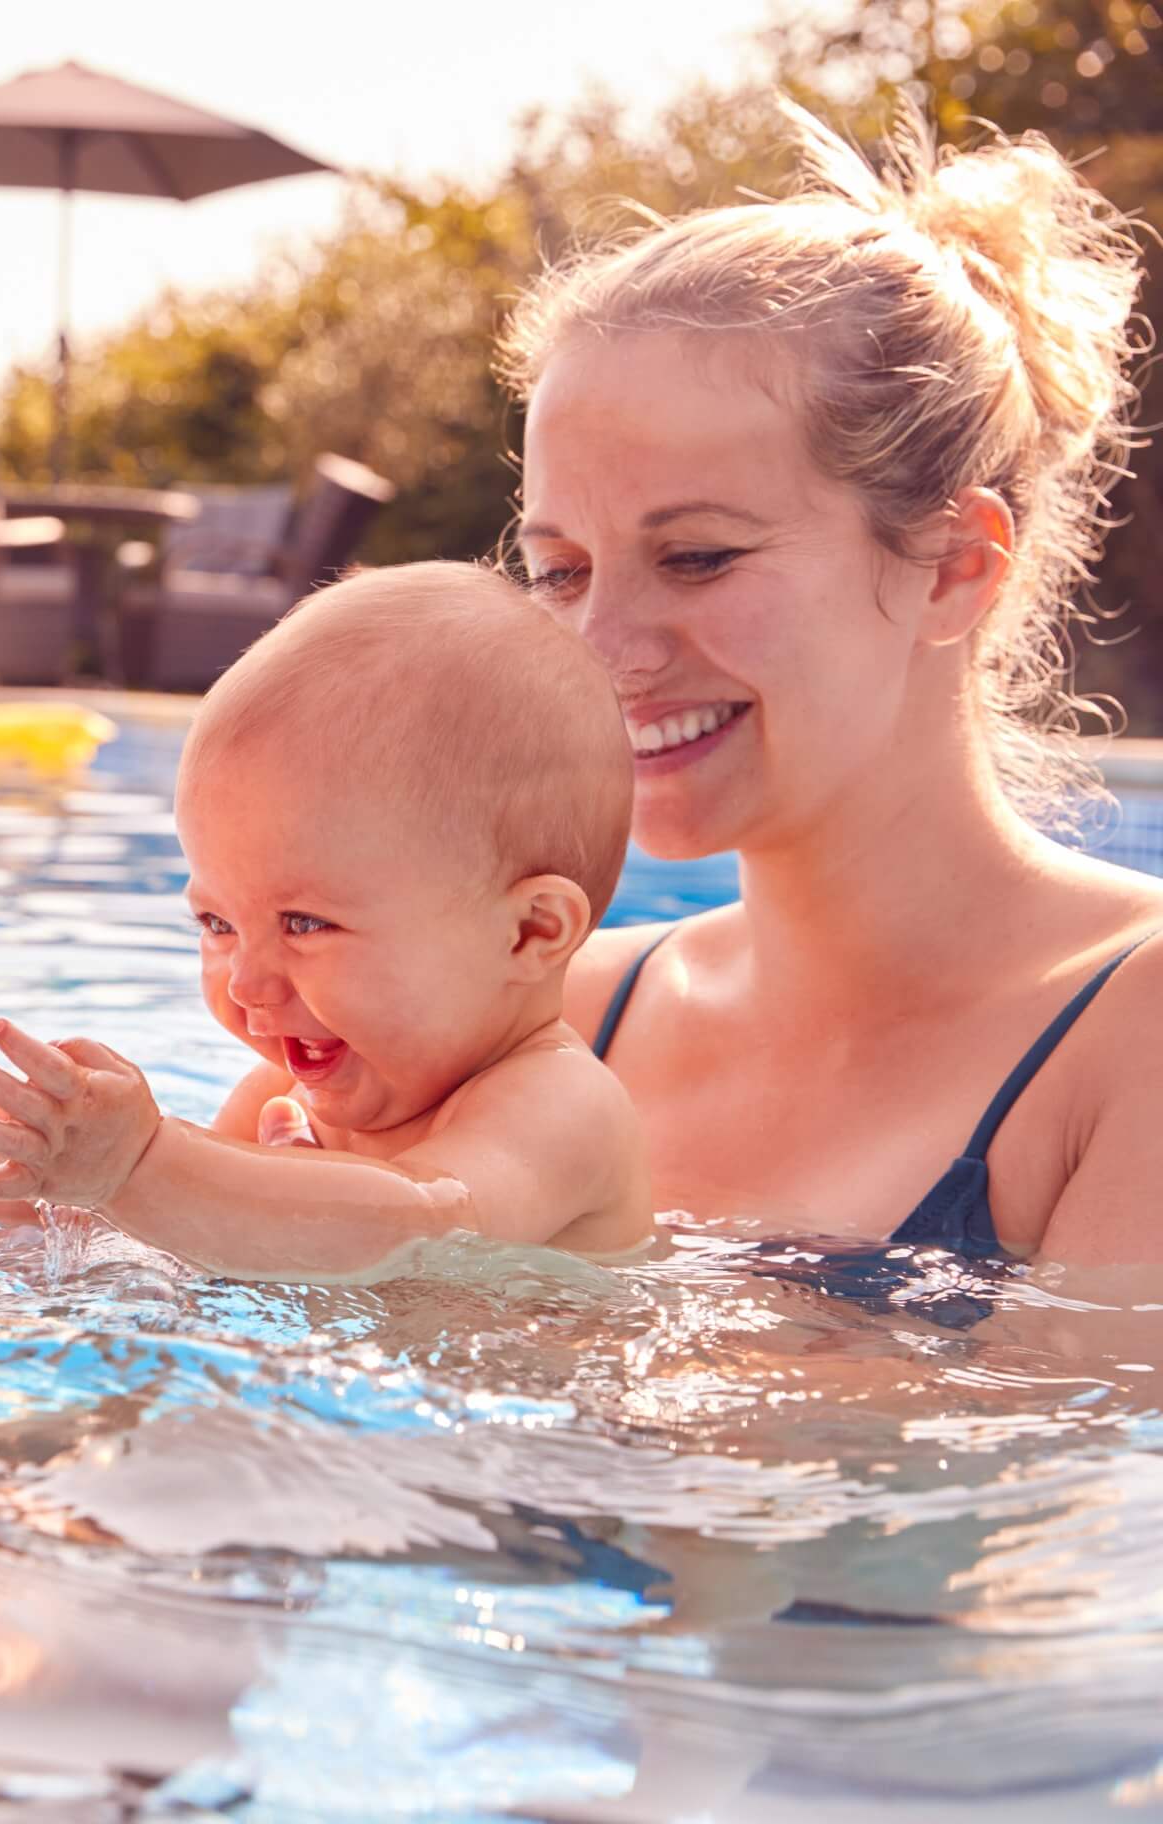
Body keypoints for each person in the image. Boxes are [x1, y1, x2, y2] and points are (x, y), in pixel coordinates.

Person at [484, 101, 1163, 1276]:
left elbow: (1056, 1446)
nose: (600, 645)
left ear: (958, 566)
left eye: (697, 556)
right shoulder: (552, 1016)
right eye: (559, 572)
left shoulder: (1129, 1032)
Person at [0, 563, 651, 1278]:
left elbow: (425, 1225)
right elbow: (182, 1248)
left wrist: (138, 1167)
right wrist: (48, 1206)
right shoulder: (282, 1090)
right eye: (216, 921)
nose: (246, 981)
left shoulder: (559, 1107)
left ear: (531, 933)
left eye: (305, 924)